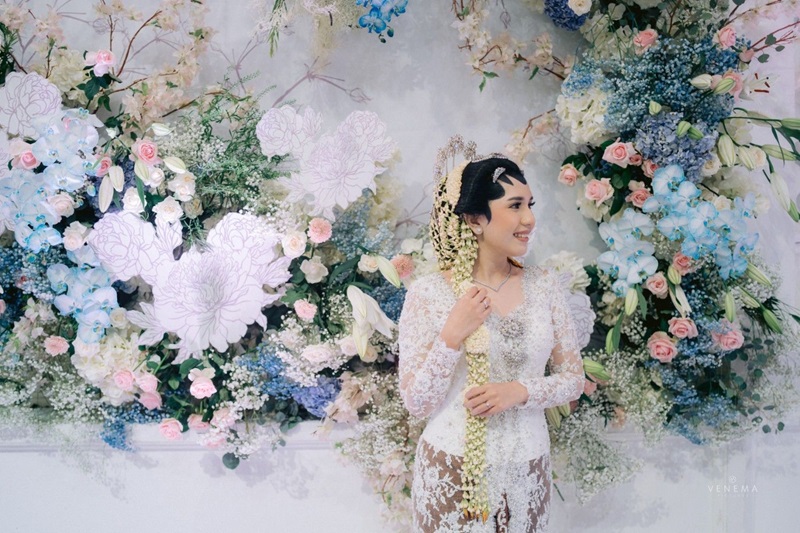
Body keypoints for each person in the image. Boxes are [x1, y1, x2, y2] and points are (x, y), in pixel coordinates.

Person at [398, 139, 584, 533]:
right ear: (474, 220)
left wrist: (520, 391)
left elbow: (573, 380)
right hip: (452, 469)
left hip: (528, 469)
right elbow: (417, 402)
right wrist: (452, 335)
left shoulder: (545, 286)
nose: (529, 219)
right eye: (514, 206)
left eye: (530, 205)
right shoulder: (428, 293)